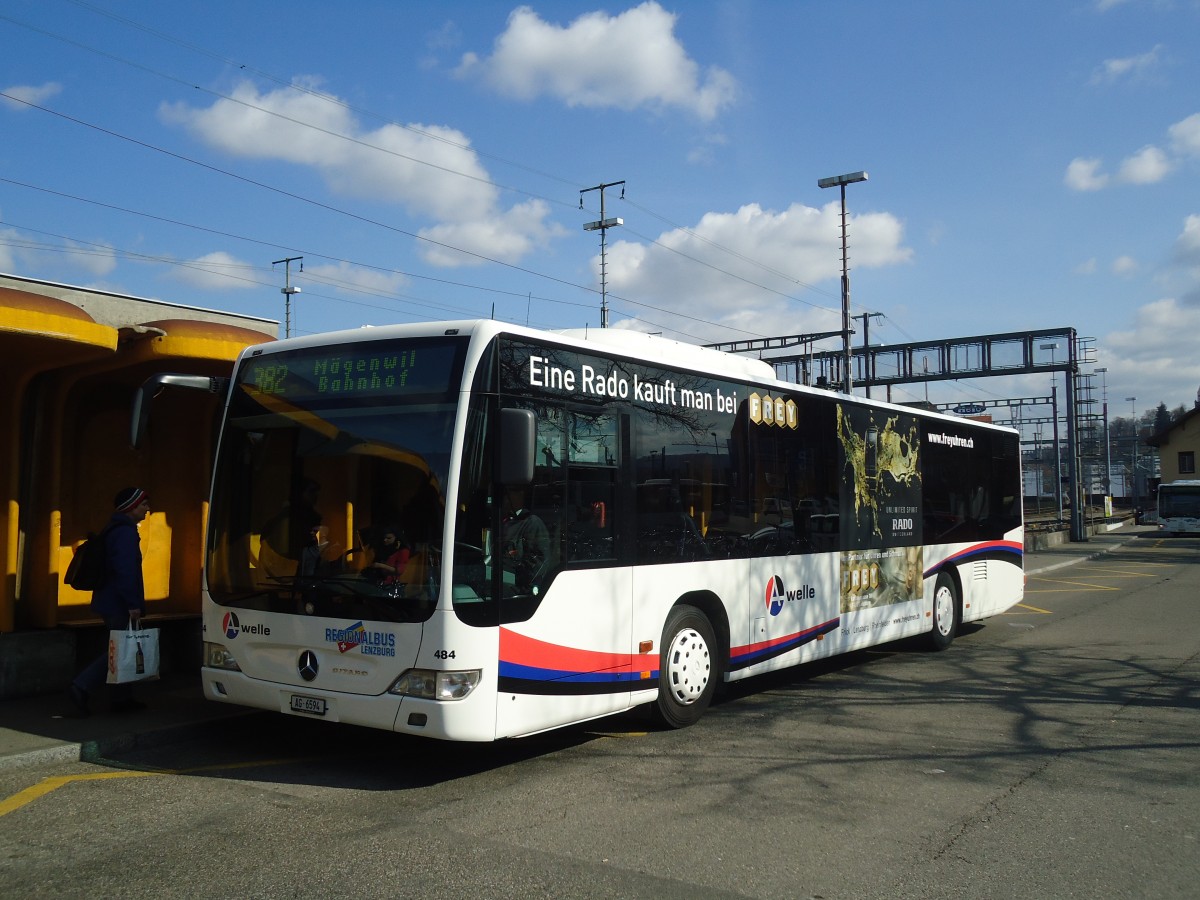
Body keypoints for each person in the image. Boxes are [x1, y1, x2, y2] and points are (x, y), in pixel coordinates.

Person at [66, 487, 151, 717]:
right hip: (118, 602)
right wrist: (133, 603)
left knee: (122, 647)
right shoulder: (125, 533)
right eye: (143, 505)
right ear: (131, 508)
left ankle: (122, 699)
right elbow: (125, 571)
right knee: (119, 649)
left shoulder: (115, 529)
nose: (147, 509)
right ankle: (81, 687)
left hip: (110, 599)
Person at [365, 525, 410, 592]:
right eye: (384, 538)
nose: (385, 540)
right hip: (377, 584)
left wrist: (380, 565)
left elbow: (399, 571)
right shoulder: (384, 548)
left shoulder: (403, 551)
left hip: (390, 586)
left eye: (389, 538)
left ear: (397, 538)